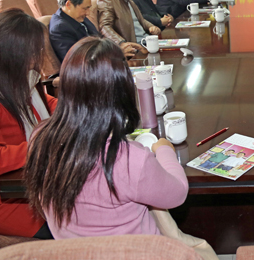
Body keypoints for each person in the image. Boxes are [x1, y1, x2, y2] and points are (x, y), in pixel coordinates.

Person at [25, 37, 187, 238]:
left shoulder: (39, 139)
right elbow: (178, 193)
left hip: (73, 256)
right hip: (138, 255)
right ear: (123, 89)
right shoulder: (129, 159)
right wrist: (165, 150)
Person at [0, 9, 57, 238]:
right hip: (6, 201)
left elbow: (49, 105)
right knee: (76, 225)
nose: (37, 57)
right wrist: (45, 143)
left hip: (35, 183)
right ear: (11, 55)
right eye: (33, 51)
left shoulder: (22, 81)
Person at [50, 0, 140, 63]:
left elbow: (98, 39)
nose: (88, 13)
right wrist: (116, 54)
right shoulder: (60, 28)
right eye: (85, 8)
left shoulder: (77, 16)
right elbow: (77, 60)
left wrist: (119, 46)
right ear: (69, 4)